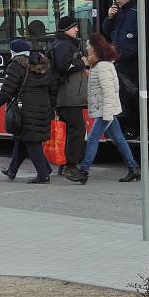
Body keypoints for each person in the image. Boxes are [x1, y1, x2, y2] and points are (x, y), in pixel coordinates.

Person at [70, 33, 140, 184]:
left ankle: (84, 171)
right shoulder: (100, 65)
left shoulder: (102, 67)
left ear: (96, 48)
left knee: (93, 139)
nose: (87, 48)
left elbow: (109, 92)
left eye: (89, 45)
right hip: (107, 109)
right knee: (119, 139)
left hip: (105, 110)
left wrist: (107, 114)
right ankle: (133, 168)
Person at [0, 39, 58, 184]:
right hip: (43, 107)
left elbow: (7, 90)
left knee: (32, 142)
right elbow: (53, 89)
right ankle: (12, 171)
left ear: (14, 51)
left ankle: (44, 174)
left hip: (25, 109)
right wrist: (50, 107)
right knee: (22, 139)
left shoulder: (16, 65)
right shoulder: (43, 63)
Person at [49, 16, 87, 180]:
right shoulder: (64, 45)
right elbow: (64, 66)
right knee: (77, 131)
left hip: (67, 95)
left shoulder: (62, 43)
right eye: (74, 27)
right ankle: (70, 166)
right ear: (66, 29)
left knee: (70, 131)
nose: (77, 30)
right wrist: (81, 62)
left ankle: (65, 165)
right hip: (67, 96)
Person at [102, 0, 139, 136]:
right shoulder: (118, 12)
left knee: (131, 96)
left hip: (132, 61)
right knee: (123, 96)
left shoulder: (136, 10)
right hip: (119, 61)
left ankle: (133, 128)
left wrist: (125, 53)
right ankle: (125, 129)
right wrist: (110, 17)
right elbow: (106, 30)